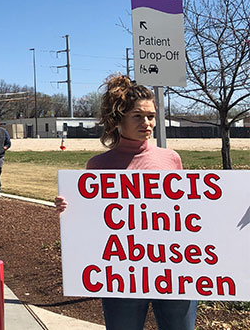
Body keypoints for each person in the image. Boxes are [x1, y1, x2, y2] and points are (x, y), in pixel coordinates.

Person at [55, 75, 198, 330]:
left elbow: (188, 212)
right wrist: (70, 210)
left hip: (173, 265)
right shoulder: (99, 166)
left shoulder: (171, 159)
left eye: (151, 116)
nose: (147, 123)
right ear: (118, 118)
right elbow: (92, 220)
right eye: (138, 116)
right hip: (122, 270)